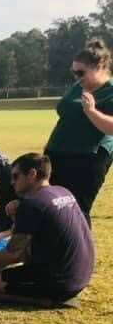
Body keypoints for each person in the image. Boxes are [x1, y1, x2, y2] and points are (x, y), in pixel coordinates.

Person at [0, 153, 94, 304]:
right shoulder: (63, 191)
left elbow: (13, 254)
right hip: (78, 276)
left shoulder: (33, 204)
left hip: (59, 283)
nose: (12, 182)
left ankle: (43, 300)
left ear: (32, 174)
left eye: (16, 176)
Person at [44, 38, 113, 223]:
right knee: (51, 206)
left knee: (76, 211)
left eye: (81, 72)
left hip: (87, 158)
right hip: (57, 152)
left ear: (99, 66)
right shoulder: (79, 86)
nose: (77, 77)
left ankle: (81, 251)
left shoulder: (110, 91)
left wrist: (91, 111)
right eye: (74, 73)